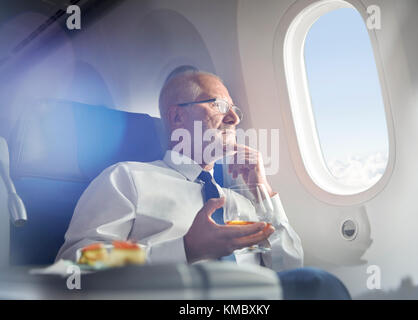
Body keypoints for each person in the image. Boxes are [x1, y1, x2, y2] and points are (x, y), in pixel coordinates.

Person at [56, 67, 350, 299]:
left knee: (313, 284)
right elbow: (78, 264)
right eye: (220, 105)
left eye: (235, 110)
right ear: (177, 116)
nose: (234, 118)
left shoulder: (240, 201)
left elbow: (289, 267)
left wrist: (263, 189)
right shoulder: (128, 178)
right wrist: (185, 248)